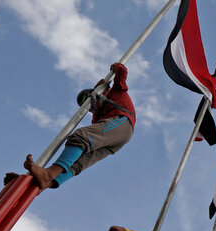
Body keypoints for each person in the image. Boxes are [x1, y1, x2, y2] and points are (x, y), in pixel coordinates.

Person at [23, 62, 136, 191]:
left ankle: (48, 174)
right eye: (84, 103)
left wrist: (113, 69)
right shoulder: (97, 116)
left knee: (82, 136)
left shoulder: (114, 92)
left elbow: (122, 71)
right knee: (79, 161)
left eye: (87, 98)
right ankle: (41, 185)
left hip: (122, 122)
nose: (88, 104)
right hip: (116, 138)